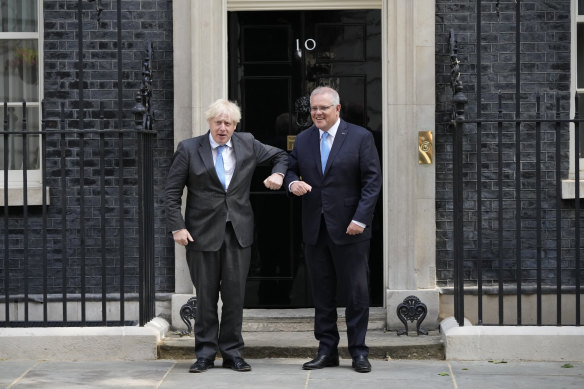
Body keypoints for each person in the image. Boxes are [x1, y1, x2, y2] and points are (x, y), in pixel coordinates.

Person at [164, 99, 288, 373]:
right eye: (218, 122)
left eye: (228, 123)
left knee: (234, 297)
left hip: (237, 233)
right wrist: (178, 226)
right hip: (200, 234)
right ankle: (205, 354)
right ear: (209, 122)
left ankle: (232, 353)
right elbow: (171, 193)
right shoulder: (188, 149)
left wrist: (279, 175)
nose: (222, 128)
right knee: (206, 298)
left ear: (235, 125)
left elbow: (282, 155)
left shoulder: (248, 143)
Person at [284, 86, 381, 373]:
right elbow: (290, 168)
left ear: (337, 109)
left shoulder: (360, 137)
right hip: (316, 228)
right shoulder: (302, 140)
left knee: (356, 293)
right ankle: (327, 350)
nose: (317, 113)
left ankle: (359, 351)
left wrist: (361, 219)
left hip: (352, 229)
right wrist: (291, 183)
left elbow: (372, 181)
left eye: (323, 108)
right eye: (314, 108)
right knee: (322, 294)